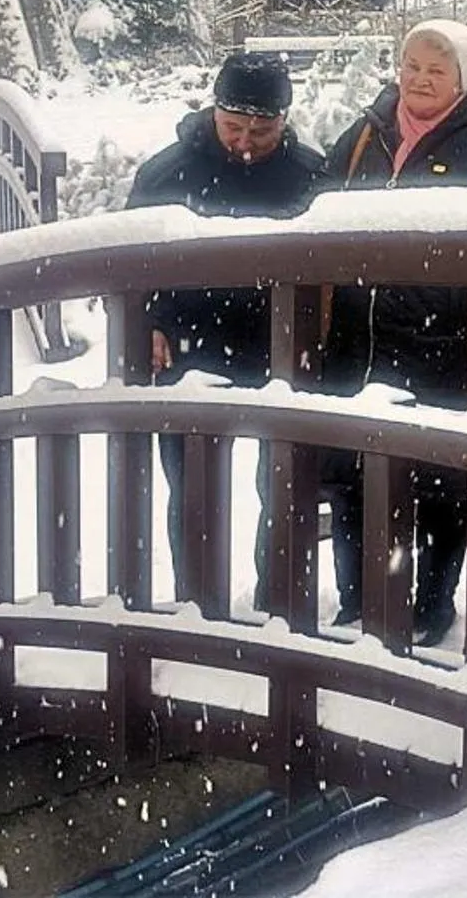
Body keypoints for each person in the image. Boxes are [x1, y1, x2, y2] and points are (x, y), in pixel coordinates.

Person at [318, 19, 467, 647]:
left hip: (442, 347)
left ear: (463, 82)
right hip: (358, 342)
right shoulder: (364, 137)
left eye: (437, 70)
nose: (419, 80)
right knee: (355, 474)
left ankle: (432, 602)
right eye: (411, 66)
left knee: (440, 485)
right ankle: (358, 599)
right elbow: (318, 212)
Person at [124, 54, 325, 614]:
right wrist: (147, 322)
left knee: (286, 487)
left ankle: (279, 605)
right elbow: (126, 266)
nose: (245, 142)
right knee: (192, 492)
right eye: (233, 126)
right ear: (213, 111)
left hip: (279, 347)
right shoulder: (165, 173)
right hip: (188, 347)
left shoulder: (310, 174)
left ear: (284, 121)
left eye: (261, 131)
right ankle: (198, 605)